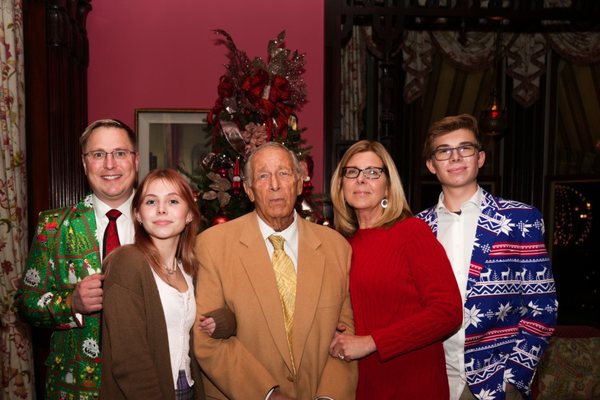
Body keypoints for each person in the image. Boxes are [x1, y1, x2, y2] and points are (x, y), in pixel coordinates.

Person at [193, 142, 358, 400]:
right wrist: (268, 395)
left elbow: (345, 335)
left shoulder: (336, 247)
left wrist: (328, 396)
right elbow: (208, 339)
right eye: (262, 176)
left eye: (284, 173)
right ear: (248, 190)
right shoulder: (213, 246)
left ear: (300, 183)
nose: (274, 185)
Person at [416, 114, 558, 400]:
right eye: (444, 151)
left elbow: (543, 306)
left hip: (495, 379)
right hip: (430, 376)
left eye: (465, 148)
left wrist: (514, 377)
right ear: (432, 165)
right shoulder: (416, 229)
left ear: (480, 158)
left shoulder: (520, 219)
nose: (455, 157)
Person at [328, 140, 463, 399]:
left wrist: (372, 342)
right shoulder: (339, 244)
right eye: (352, 172)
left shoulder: (411, 233)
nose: (361, 180)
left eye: (372, 172)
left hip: (411, 381)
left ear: (388, 185)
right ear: (341, 183)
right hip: (358, 381)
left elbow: (448, 312)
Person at [17, 119, 139, 399]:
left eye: (120, 153)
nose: (110, 164)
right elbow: (26, 303)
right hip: (75, 386)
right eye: (98, 154)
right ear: (85, 164)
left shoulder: (163, 223)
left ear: (136, 160)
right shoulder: (53, 226)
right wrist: (71, 303)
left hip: (148, 381)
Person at [100, 168, 235, 399]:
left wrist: (222, 321)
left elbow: (219, 319)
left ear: (189, 215)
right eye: (151, 201)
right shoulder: (127, 263)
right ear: (139, 215)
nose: (161, 209)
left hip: (187, 387)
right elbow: (130, 360)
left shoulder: (188, 269)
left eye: (173, 201)